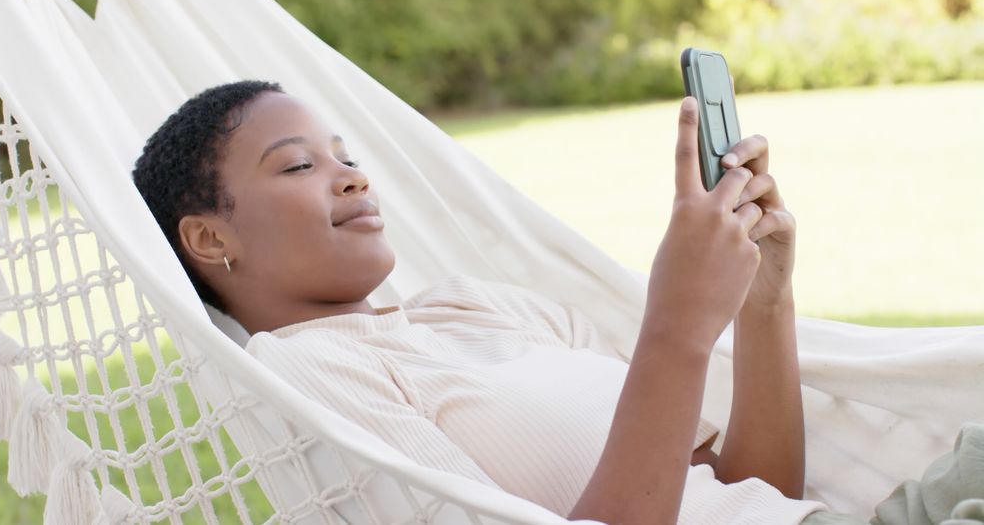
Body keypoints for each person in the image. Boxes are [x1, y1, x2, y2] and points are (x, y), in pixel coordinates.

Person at [131, 81, 980, 524]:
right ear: (209, 239)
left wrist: (764, 303)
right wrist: (675, 330)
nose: (351, 173)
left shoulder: (481, 307)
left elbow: (744, 492)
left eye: (346, 153)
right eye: (296, 165)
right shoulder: (306, 377)